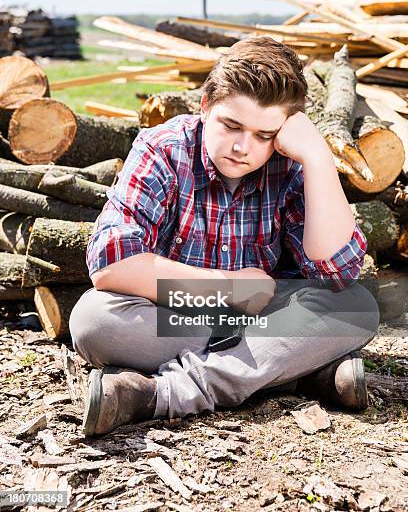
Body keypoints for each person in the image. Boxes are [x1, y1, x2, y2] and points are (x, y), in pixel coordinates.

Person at [69, 37, 379, 437]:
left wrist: (318, 157)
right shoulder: (163, 149)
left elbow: (336, 273)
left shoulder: (290, 164)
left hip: (267, 315)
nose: (241, 147)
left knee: (355, 307)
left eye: (264, 135)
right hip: (182, 310)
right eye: (231, 125)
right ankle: (294, 372)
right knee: (95, 320)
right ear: (204, 107)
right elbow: (112, 265)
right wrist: (228, 289)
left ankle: (162, 394)